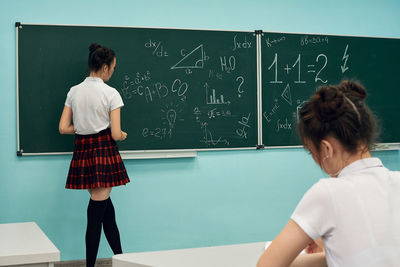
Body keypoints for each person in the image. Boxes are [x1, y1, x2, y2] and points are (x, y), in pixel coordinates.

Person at [257, 81, 400, 267]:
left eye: (311, 151)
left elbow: (267, 264)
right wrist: (333, 251)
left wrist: (328, 254)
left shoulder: (327, 192)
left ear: (326, 149)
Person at [59, 43, 130, 267]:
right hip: (103, 150)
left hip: (83, 150)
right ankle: (92, 265)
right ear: (106, 67)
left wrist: (82, 127)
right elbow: (116, 133)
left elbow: (63, 127)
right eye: (114, 67)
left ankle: (122, 258)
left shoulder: (74, 91)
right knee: (97, 212)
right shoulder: (111, 93)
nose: (113, 71)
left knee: (105, 208)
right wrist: (123, 135)